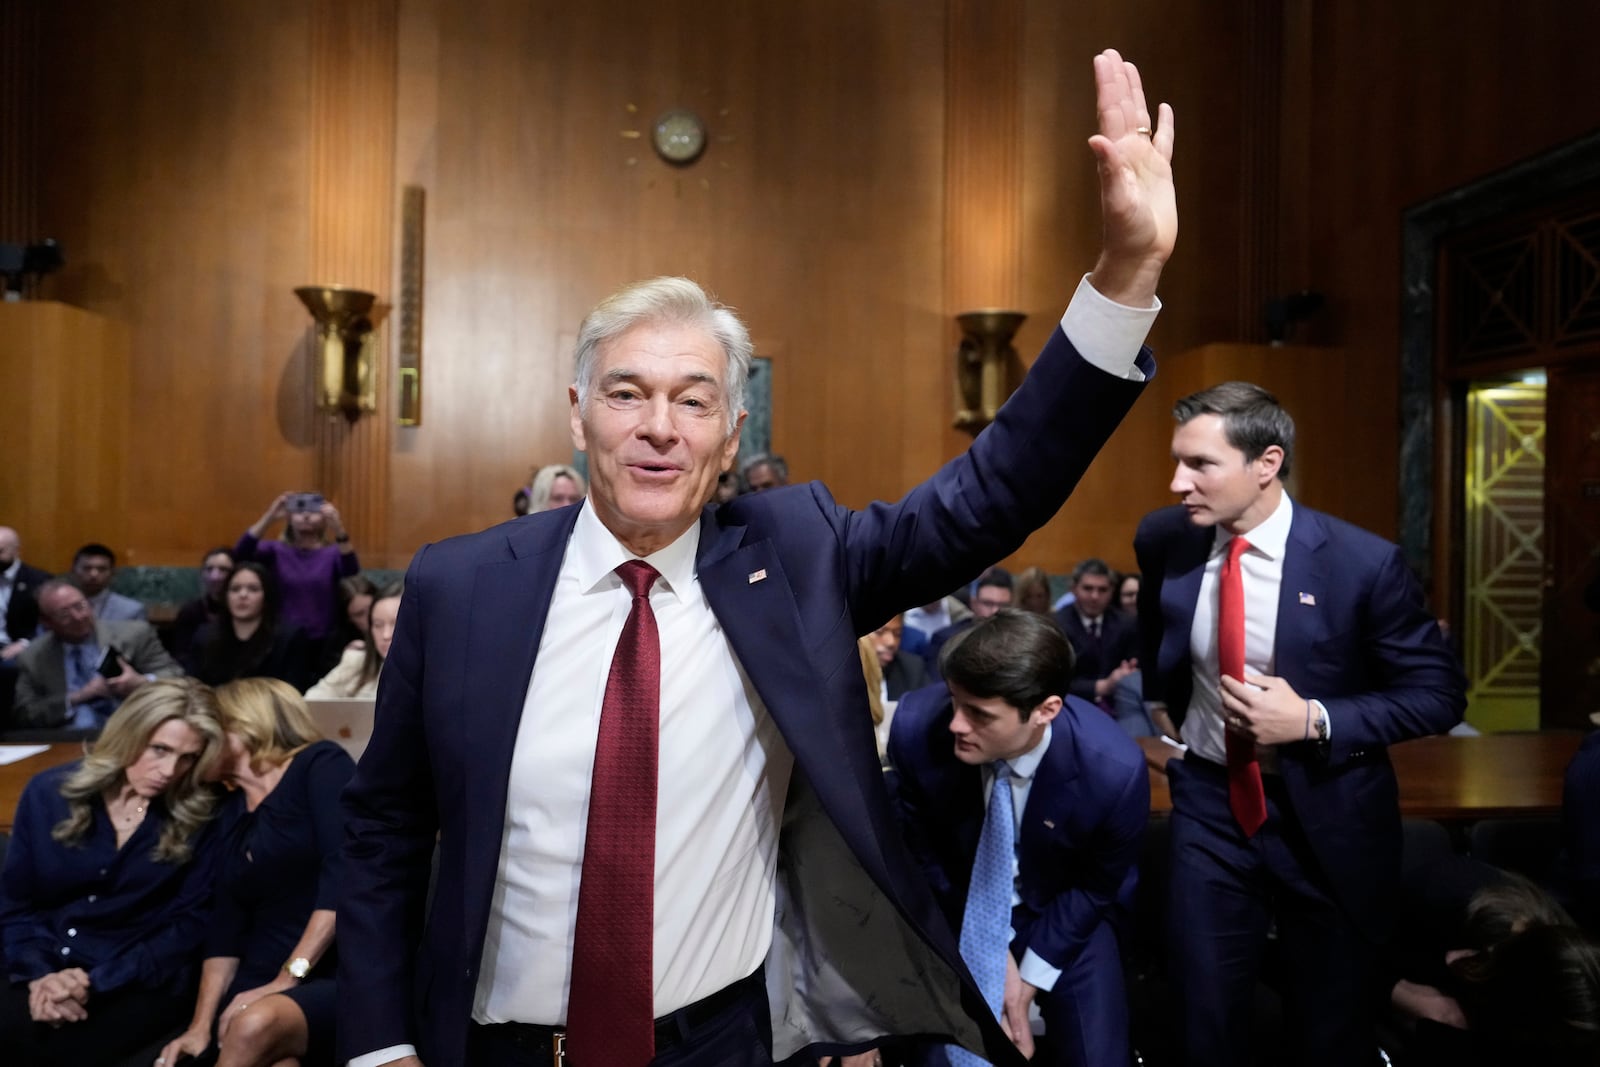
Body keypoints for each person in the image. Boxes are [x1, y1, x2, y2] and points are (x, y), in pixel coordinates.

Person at [338, 48, 1173, 1067]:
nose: (659, 426)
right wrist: (376, 1042)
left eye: (692, 399)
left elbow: (990, 492)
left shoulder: (796, 557)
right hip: (497, 1043)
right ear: (575, 414)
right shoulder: (460, 585)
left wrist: (1124, 275)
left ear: (730, 434)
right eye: (626, 392)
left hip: (717, 1041)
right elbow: (384, 829)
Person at [1133, 380, 1467, 1067]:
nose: (1177, 481)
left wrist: (1314, 718)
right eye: (1177, 460)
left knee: (1329, 1027)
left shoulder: (1360, 563)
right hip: (1210, 801)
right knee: (1202, 1017)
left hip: (1330, 810)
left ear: (1267, 463)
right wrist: (1166, 704)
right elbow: (1158, 638)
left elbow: (1438, 694)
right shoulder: (1167, 539)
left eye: (1200, 464)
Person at [889, 611, 1148, 1067]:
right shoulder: (916, 730)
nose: (956, 725)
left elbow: (1096, 886)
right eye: (954, 701)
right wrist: (984, 946)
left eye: (980, 714)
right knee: (939, 1054)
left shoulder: (1113, 772)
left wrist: (1024, 979)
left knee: (1101, 1053)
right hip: (952, 907)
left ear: (1045, 711)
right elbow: (919, 856)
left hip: (1059, 910)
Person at [0, 678, 228, 1065]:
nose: (170, 770)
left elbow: (188, 925)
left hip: (134, 977)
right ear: (127, 733)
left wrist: (95, 982)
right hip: (42, 962)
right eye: (159, 749)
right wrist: (43, 975)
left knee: (61, 1044)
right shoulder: (49, 793)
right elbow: (16, 906)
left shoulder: (204, 812)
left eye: (188, 757)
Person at [158, 678, 356, 1067]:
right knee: (271, 1054)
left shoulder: (319, 764)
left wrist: (287, 979)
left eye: (208, 732)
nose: (198, 747)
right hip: (259, 979)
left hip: (332, 968)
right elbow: (225, 929)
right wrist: (200, 1025)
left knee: (255, 1026)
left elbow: (344, 875)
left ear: (241, 725)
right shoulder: (230, 807)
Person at [12, 579, 184, 731]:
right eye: (64, 614)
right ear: (46, 622)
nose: (78, 617)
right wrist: (77, 697)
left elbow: (177, 678)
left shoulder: (134, 634)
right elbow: (26, 713)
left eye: (80, 606)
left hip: (133, 728)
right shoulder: (33, 656)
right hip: (68, 738)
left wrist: (140, 683)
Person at [234, 493, 361, 645]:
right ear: (289, 516)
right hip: (282, 636)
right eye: (299, 510)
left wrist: (338, 527)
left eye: (313, 510)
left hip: (324, 638)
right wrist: (270, 517)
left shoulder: (332, 552)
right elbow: (240, 554)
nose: (306, 515)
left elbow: (351, 570)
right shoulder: (275, 550)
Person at [1052, 558, 1147, 737]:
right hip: (1070, 706)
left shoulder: (1126, 623)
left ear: (1112, 591)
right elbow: (1053, 681)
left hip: (1121, 704)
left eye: (1102, 590)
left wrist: (1127, 672)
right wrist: (1101, 686)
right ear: (1073, 589)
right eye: (1088, 588)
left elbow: (1136, 663)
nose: (1095, 596)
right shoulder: (1056, 625)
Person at [188, 564, 317, 693]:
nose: (243, 595)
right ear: (225, 596)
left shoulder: (289, 638)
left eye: (253, 589)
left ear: (266, 596)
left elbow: (292, 693)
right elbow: (195, 689)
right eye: (235, 589)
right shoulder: (204, 637)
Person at [306, 583, 400, 699]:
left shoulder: (427, 674)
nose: (386, 635)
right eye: (378, 625)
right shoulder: (356, 661)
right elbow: (312, 701)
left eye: (396, 624)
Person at [172, 547, 236, 665]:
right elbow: (182, 655)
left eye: (223, 570)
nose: (214, 577)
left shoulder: (243, 609)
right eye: (209, 569)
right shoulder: (190, 611)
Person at [1, 525, 52, 661]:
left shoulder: (39, 581)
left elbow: (51, 622)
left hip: (16, 648)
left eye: (0, 551)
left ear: (16, 551)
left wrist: (25, 643)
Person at [72, 543, 147, 622]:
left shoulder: (132, 611)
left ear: (112, 573)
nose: (93, 575)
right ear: (74, 571)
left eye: (102, 569)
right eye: (87, 568)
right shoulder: (59, 609)